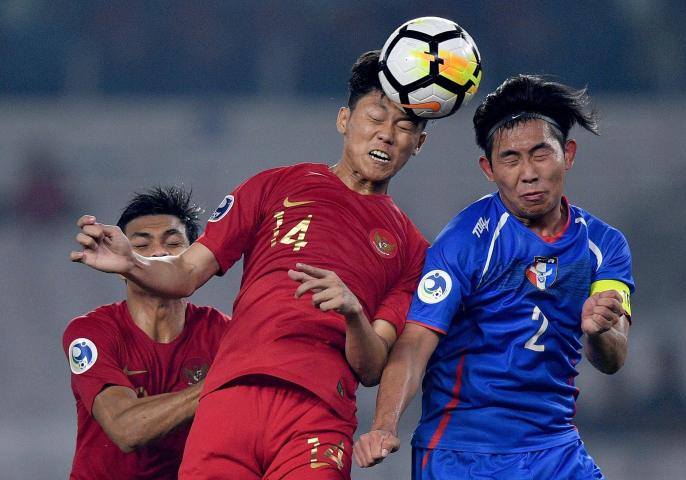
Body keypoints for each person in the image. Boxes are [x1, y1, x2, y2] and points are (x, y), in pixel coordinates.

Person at [70, 49, 429, 479]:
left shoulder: (412, 250)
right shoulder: (274, 185)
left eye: (403, 127)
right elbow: (185, 273)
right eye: (375, 118)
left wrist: (353, 313)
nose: (386, 135)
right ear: (344, 120)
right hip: (229, 400)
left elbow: (371, 367)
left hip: (316, 410)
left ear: (418, 144)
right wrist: (133, 262)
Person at [354, 74, 635, 479]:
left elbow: (613, 356)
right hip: (463, 453)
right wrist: (384, 425)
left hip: (554, 449)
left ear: (568, 154)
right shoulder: (466, 241)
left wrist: (598, 329)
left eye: (541, 154)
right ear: (488, 168)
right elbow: (415, 343)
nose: (528, 173)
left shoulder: (604, 246)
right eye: (510, 159)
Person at [63, 185, 230, 479]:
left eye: (174, 243)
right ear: (121, 263)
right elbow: (127, 429)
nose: (159, 253)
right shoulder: (90, 333)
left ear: (194, 260)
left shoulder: (224, 334)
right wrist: (228, 378)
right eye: (141, 246)